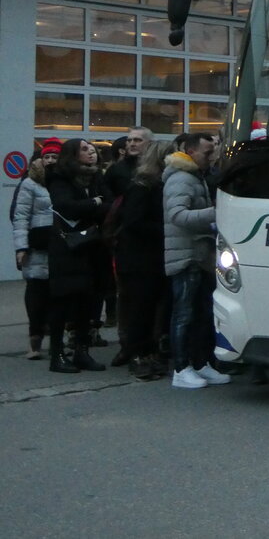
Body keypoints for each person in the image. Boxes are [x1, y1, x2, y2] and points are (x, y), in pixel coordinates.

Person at [163, 133, 230, 389]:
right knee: (184, 314)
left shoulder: (194, 176)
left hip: (199, 255)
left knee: (202, 313)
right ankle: (181, 368)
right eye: (207, 152)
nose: (211, 157)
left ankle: (201, 363)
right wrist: (216, 212)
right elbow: (178, 216)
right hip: (186, 256)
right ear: (190, 152)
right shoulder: (181, 178)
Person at [45, 138, 111, 373]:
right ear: (72, 155)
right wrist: (94, 202)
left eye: (92, 150)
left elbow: (110, 204)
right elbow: (66, 206)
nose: (91, 153)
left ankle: (82, 351)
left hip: (92, 246)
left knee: (88, 302)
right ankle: (57, 354)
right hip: (67, 248)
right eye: (84, 150)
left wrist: (93, 204)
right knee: (62, 302)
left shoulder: (96, 177)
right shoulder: (59, 177)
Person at [117, 140, 171, 381]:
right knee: (140, 309)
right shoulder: (142, 187)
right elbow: (133, 222)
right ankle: (138, 355)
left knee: (151, 309)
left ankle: (148, 352)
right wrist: (166, 230)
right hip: (139, 259)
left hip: (152, 257)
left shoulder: (158, 185)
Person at [102, 125, 153, 363]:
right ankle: (127, 345)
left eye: (138, 140)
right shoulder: (117, 171)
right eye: (130, 140)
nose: (132, 144)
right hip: (124, 240)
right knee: (126, 296)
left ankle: (147, 345)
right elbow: (107, 200)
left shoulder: (155, 170)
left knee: (146, 298)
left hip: (148, 242)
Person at [10, 139, 61, 360]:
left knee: (59, 296)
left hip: (61, 246)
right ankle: (35, 341)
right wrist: (21, 247)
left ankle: (58, 343)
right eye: (46, 156)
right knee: (37, 294)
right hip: (37, 247)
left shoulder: (66, 182)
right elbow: (20, 217)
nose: (50, 160)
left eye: (54, 157)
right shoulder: (30, 183)